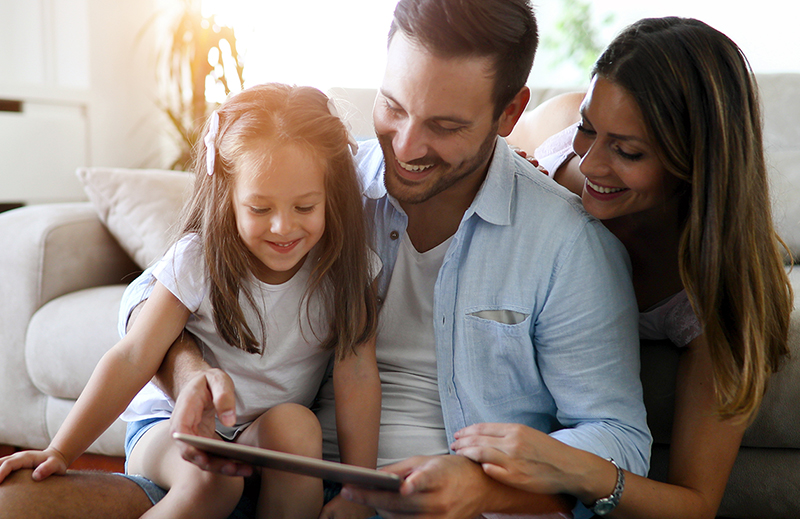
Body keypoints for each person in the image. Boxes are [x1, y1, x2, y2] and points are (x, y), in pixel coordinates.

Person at [0, 2, 651, 518]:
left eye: (445, 126)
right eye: (393, 106)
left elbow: (618, 437)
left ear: (510, 112)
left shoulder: (568, 245)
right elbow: (157, 294)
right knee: (16, 501)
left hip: (406, 504)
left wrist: (489, 485)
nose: (406, 144)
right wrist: (188, 363)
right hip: (237, 466)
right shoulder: (325, 185)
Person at [451, 17, 794, 519]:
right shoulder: (560, 146)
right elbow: (476, 147)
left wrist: (573, 467)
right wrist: (501, 164)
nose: (590, 165)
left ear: (692, 160)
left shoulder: (716, 294)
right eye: (590, 129)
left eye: (628, 151)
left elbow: (695, 504)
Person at [0, 83, 381, 519]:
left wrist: (357, 491)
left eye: (305, 206)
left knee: (298, 426)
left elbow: (358, 377)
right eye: (259, 209)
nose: (282, 227)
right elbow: (133, 355)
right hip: (169, 431)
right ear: (229, 198)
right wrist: (61, 450)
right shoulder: (198, 258)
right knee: (214, 476)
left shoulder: (350, 271)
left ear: (332, 194)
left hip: (262, 438)